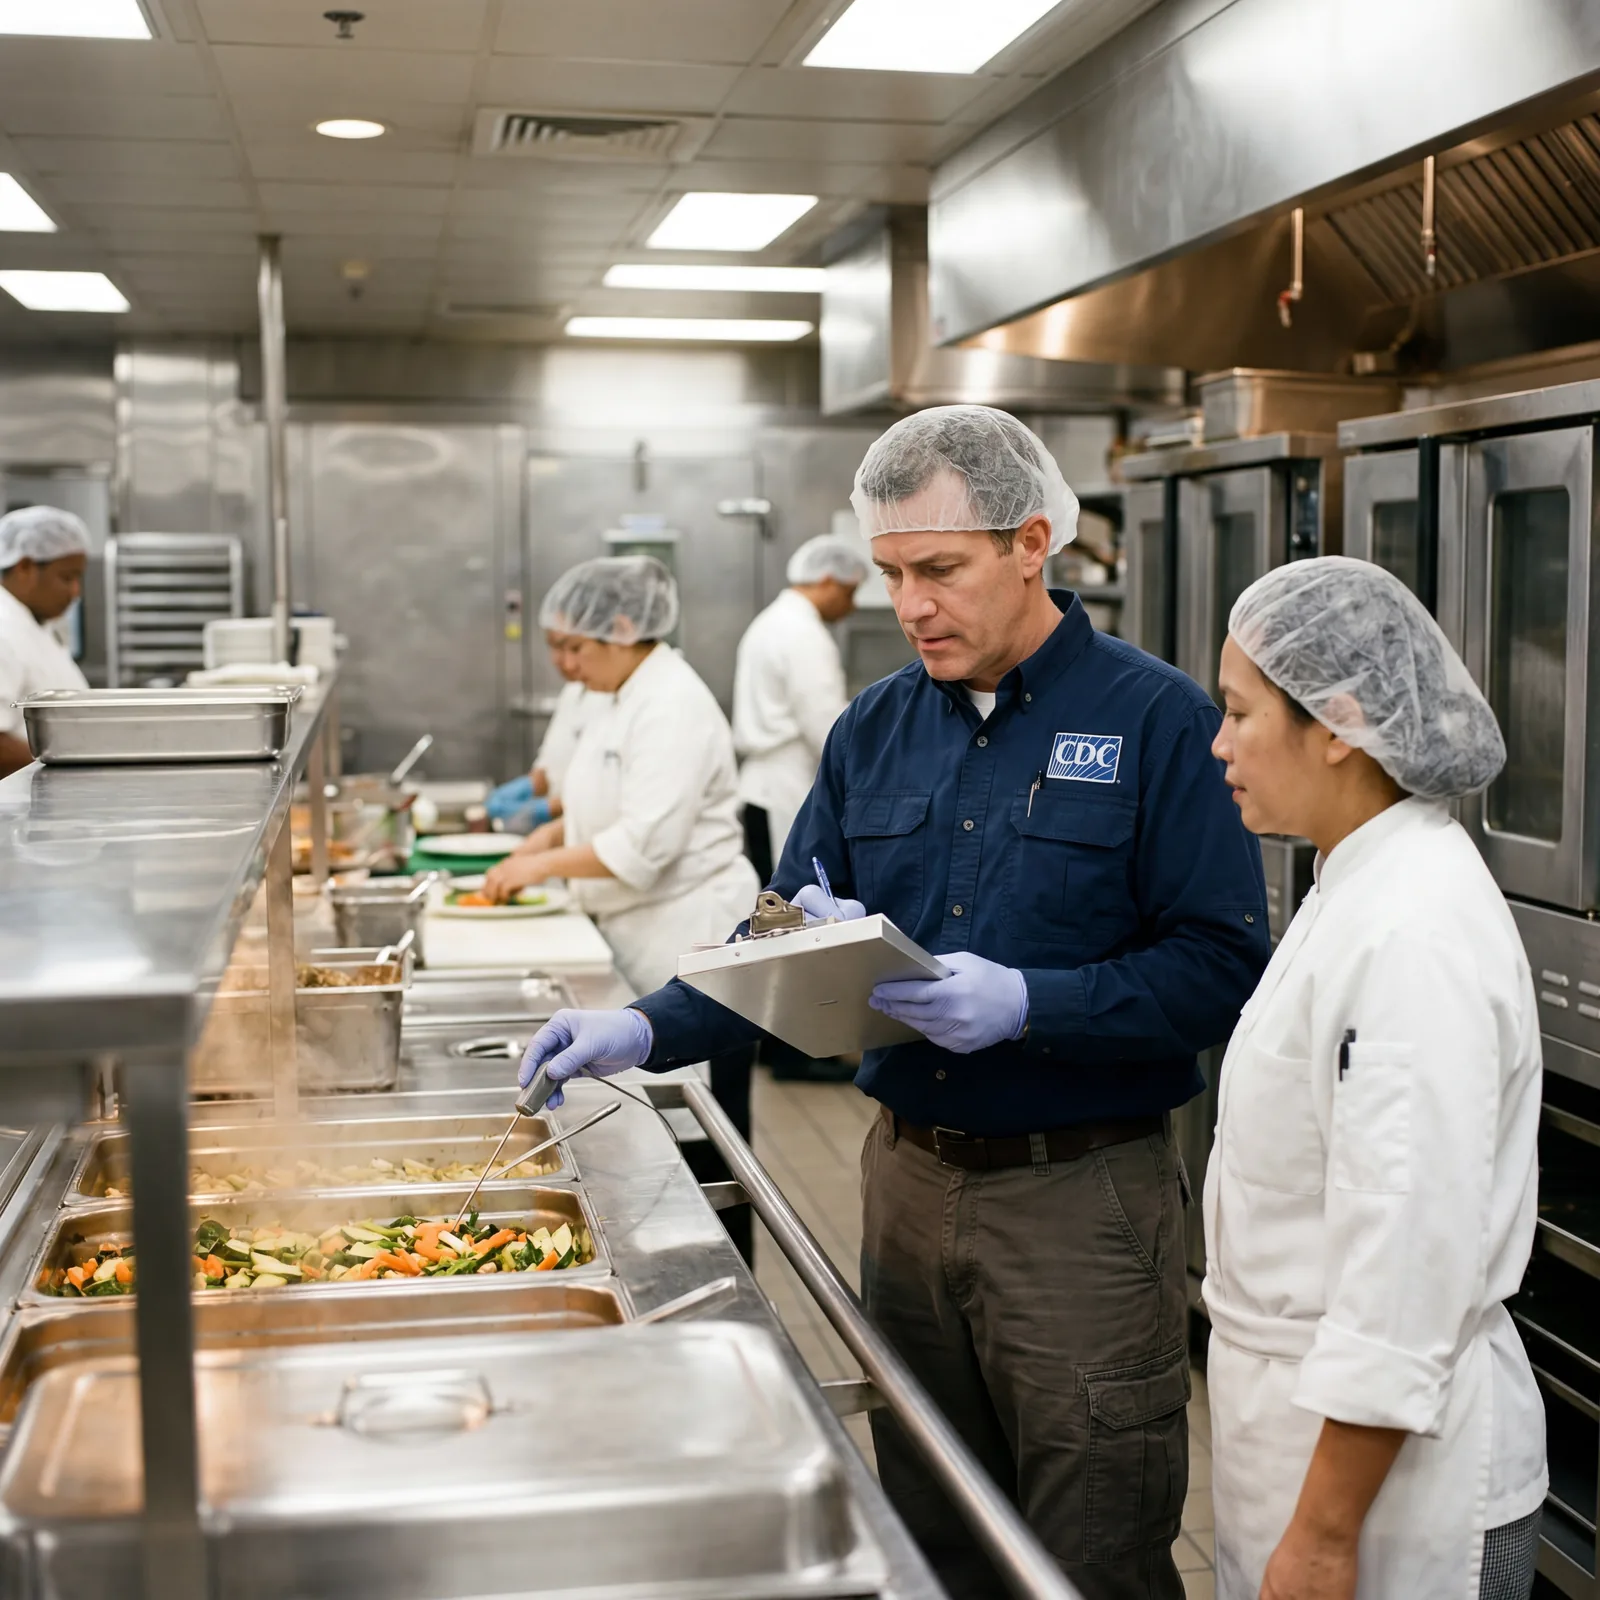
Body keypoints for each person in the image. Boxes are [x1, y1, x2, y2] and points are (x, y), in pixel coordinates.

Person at [512, 404, 1271, 1600]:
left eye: (939, 570)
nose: (908, 604)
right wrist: (652, 1024)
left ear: (1032, 544)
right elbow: (775, 941)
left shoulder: (1153, 721)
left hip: (1078, 1198)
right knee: (928, 1521)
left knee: (1093, 1544)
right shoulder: (874, 730)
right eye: (889, 573)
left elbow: (1222, 966)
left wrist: (1034, 999)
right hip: (906, 1185)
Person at [1205, 557, 1546, 1600]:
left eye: (1237, 712)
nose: (1218, 746)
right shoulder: (1353, 878)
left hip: (1397, 1494)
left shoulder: (1411, 930)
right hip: (1304, 1434)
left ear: (1339, 724)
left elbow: (1404, 1261)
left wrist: (1320, 1531)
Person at [483, 556, 761, 1256]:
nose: (567, 666)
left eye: (577, 647)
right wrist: (550, 834)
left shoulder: (672, 704)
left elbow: (644, 844)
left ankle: (726, 1282)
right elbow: (594, 805)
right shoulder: (622, 694)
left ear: (626, 629)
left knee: (706, 1135)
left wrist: (539, 863)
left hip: (691, 931)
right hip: (636, 927)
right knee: (659, 1123)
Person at [733, 532, 868, 882]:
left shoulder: (772, 622)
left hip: (763, 785)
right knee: (790, 899)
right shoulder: (803, 634)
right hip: (786, 787)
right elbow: (825, 727)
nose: (851, 606)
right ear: (826, 581)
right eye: (849, 592)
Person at [486, 629, 607, 834]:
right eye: (554, 648)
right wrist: (528, 786)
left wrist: (547, 808)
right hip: (568, 831)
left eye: (571, 647)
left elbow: (607, 790)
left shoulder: (612, 696)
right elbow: (551, 764)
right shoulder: (573, 691)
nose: (558, 660)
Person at [0, 506, 90, 779]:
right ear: (25, 567)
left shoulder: (36, 625)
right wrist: (77, 767)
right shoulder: (4, 630)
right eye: (66, 577)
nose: (75, 592)